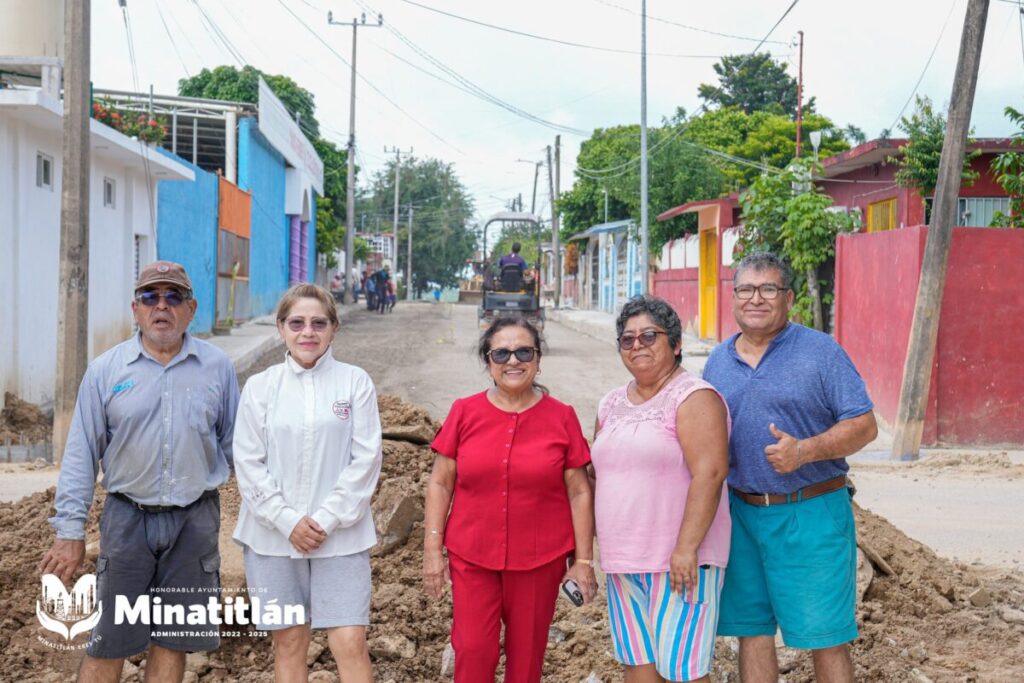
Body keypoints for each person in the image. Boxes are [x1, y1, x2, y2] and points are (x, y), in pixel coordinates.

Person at [39, 261, 239, 683]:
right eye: (151, 297)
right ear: (136, 308)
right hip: (127, 521)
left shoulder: (218, 367)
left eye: (173, 296)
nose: (161, 306)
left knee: (172, 639)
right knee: (110, 638)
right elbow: (80, 455)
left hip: (194, 522)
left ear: (191, 308)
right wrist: (69, 531)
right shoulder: (105, 371)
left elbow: (233, 445)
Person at [702, 252, 877, 683]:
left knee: (825, 636)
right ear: (734, 297)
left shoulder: (821, 352)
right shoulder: (717, 361)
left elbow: (865, 425)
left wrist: (805, 451)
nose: (755, 298)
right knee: (751, 632)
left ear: (789, 298)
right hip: (739, 514)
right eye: (745, 289)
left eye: (768, 289)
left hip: (811, 513)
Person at [423, 317, 597, 682]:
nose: (512, 361)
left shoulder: (561, 417)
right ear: (488, 362)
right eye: (501, 352)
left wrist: (583, 560)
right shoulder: (464, 412)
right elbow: (440, 483)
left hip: (540, 559)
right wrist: (432, 549)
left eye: (523, 352)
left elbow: (580, 490)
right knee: (472, 650)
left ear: (537, 359)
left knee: (526, 661)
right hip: (472, 555)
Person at [232, 283, 382, 682]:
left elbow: (366, 460)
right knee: (290, 641)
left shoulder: (355, 383)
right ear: (281, 328)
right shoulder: (260, 388)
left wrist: (325, 521)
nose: (308, 332)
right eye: (296, 323)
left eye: (318, 323)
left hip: (342, 538)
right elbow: (248, 462)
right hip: (272, 540)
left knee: (350, 640)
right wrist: (287, 522)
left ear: (334, 328)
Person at [591, 295, 731, 683]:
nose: (637, 345)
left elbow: (711, 473)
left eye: (649, 336)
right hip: (623, 561)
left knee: (683, 672)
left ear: (676, 343)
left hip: (679, 561)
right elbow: (597, 475)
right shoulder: (611, 403)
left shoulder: (693, 397)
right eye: (628, 339)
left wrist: (686, 548)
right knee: (638, 666)